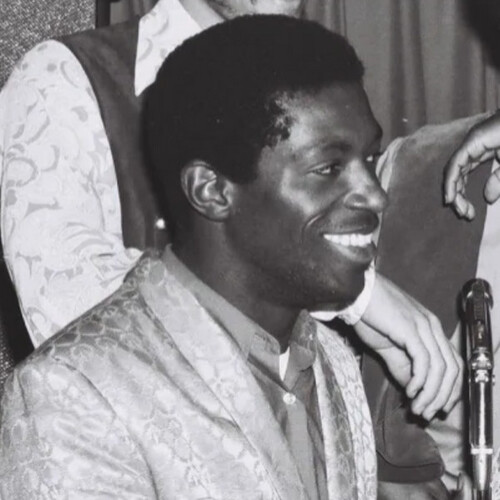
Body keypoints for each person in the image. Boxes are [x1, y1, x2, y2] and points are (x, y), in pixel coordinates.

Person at [0, 16, 459, 499]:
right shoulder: (71, 396)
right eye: (328, 168)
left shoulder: (333, 364)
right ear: (212, 190)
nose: (376, 196)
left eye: (370, 160)